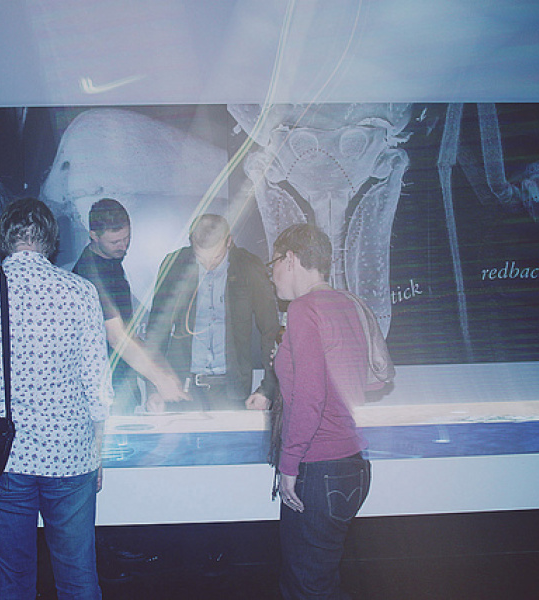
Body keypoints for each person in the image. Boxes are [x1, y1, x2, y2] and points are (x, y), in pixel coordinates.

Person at [0, 198, 108, 600]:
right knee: (78, 579)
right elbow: (98, 386)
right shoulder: (80, 291)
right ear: (51, 240)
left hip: (3, 457)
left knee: (12, 582)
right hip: (70, 454)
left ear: (4, 239)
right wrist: (96, 450)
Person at [268, 223, 375, 600]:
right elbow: (366, 384)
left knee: (306, 588)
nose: (271, 276)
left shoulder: (303, 309)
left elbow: (309, 397)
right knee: (322, 582)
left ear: (290, 259)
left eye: (272, 265)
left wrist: (289, 466)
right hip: (352, 467)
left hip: (319, 468)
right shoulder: (348, 304)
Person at [145, 213, 280, 411]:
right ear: (192, 243)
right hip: (182, 388)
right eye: (201, 258)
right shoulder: (174, 265)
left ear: (229, 241)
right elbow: (157, 331)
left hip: (232, 389)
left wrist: (268, 389)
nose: (209, 266)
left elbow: (270, 330)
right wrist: (154, 387)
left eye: (216, 257)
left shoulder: (249, 266)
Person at [74, 198, 186, 414]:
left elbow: (129, 334)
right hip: (100, 393)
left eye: (126, 238)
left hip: (119, 383)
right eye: (115, 241)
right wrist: (159, 379)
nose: (123, 246)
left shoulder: (111, 263)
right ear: (94, 236)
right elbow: (116, 336)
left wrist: (158, 379)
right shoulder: (90, 272)